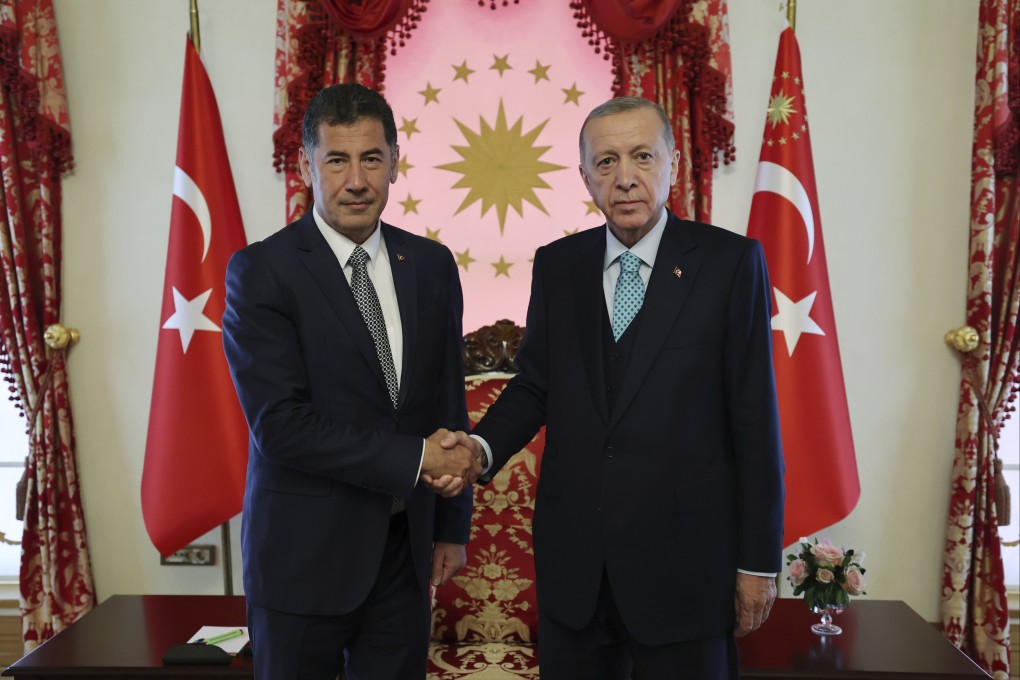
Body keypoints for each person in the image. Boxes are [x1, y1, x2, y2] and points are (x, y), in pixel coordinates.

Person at [441, 96, 785, 679]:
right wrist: (479, 449)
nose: (625, 177)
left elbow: (755, 422)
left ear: (673, 164)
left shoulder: (731, 264)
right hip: (576, 573)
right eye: (606, 162)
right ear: (584, 176)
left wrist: (757, 562)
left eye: (642, 156)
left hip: (685, 571)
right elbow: (534, 386)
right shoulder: (559, 265)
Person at [222, 83, 482, 680]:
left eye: (371, 159)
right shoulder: (261, 271)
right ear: (306, 165)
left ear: (396, 162)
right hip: (301, 559)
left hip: (404, 556)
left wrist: (451, 527)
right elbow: (281, 428)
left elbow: (447, 400)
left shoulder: (432, 265)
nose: (357, 181)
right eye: (337, 160)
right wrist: (417, 458)